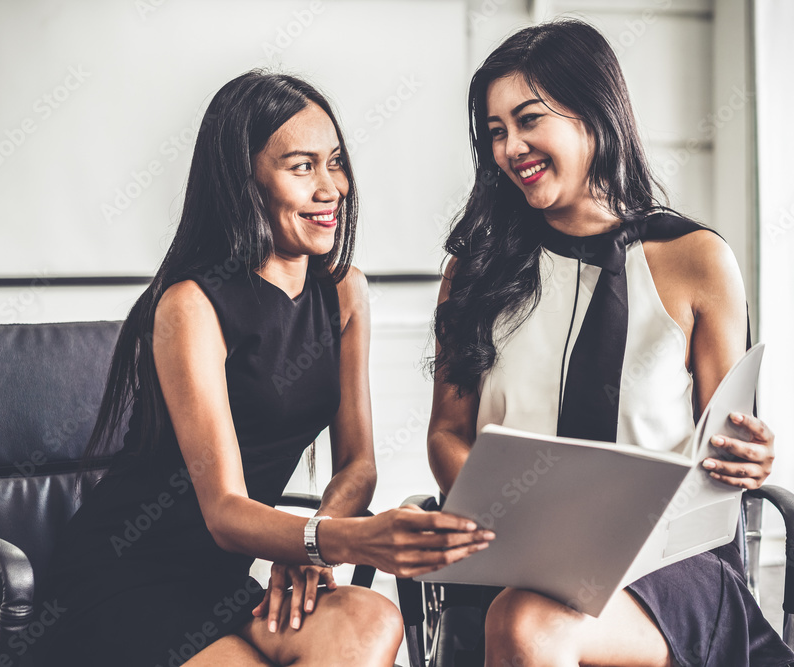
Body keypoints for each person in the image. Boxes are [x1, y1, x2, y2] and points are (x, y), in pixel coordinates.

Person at [32, 70, 493, 667]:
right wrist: (350, 540)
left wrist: (312, 546)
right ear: (243, 181)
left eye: (335, 163)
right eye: (302, 167)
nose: (331, 188)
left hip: (223, 582)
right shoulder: (190, 304)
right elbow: (223, 511)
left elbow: (358, 464)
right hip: (124, 579)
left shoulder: (344, 292)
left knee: (368, 619)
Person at [427, 20, 794, 667]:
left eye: (528, 120)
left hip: (662, 567)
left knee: (524, 623)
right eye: (494, 131)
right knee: (522, 609)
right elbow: (446, 433)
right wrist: (515, 522)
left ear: (593, 112)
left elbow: (728, 437)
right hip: (515, 548)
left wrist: (752, 455)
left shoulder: (696, 259)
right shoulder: (476, 267)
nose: (510, 146)